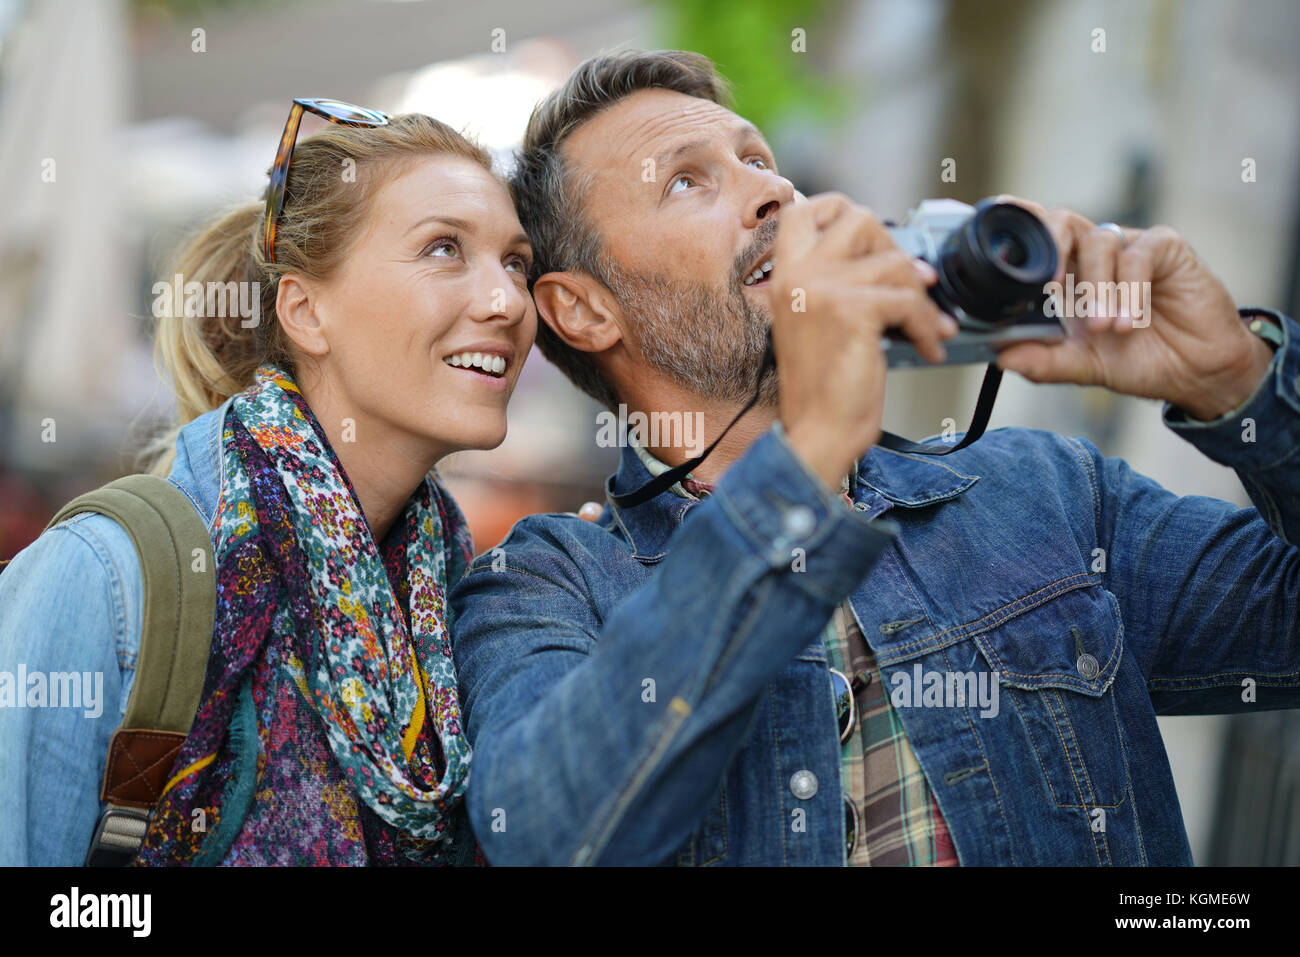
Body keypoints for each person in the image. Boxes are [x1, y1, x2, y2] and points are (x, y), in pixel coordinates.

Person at [450, 50, 1300, 865]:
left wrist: (1245, 385)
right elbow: (545, 833)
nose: (774, 193)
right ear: (585, 311)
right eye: (686, 181)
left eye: (761, 160)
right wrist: (811, 455)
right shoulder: (544, 585)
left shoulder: (1049, 494)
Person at [0, 102, 537, 865]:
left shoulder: (460, 600)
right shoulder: (106, 577)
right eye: (444, 248)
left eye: (516, 261)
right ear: (307, 311)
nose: (507, 301)